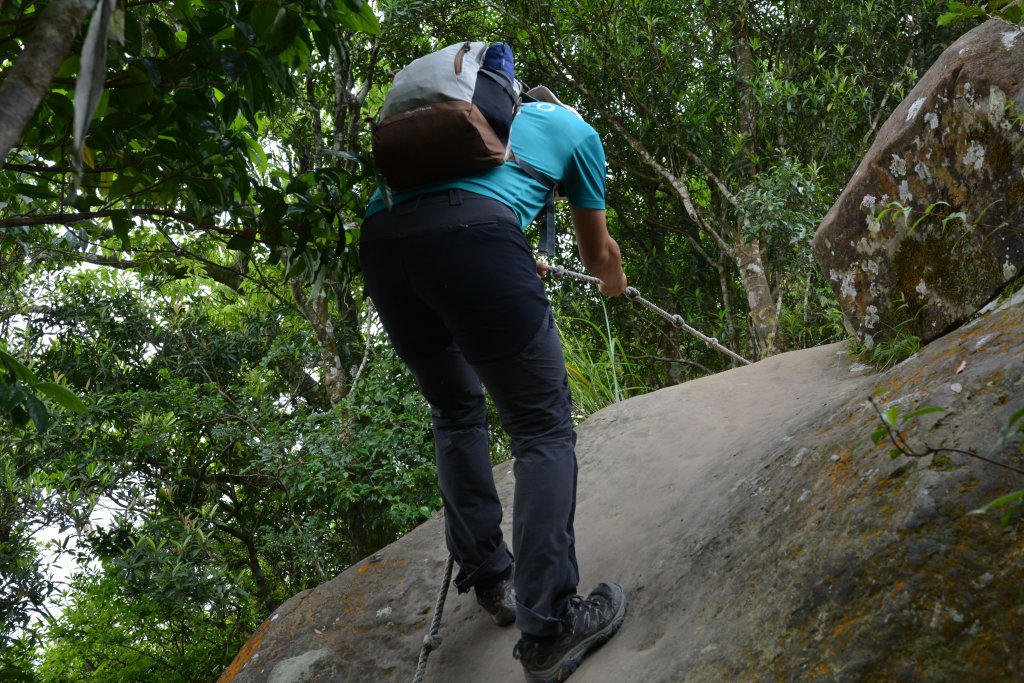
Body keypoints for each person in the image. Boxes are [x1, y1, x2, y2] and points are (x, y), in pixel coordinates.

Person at [359, 85, 628, 683]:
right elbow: (595, 253)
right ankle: (550, 626)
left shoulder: (458, 131)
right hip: (473, 240)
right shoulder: (575, 131)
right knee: (542, 430)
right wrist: (614, 279)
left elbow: (457, 205)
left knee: (454, 412)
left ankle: (491, 577)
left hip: (383, 242)